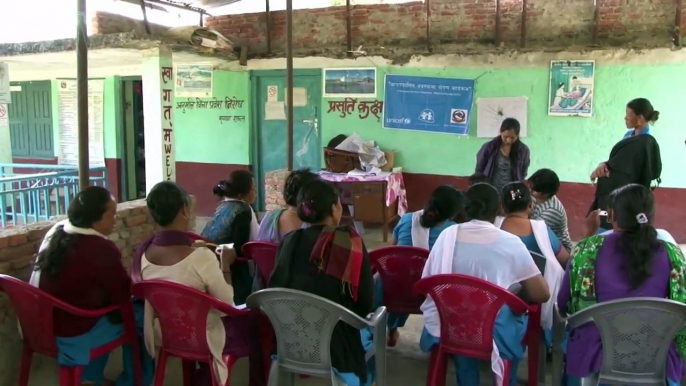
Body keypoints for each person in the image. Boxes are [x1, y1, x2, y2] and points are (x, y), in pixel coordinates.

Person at [420, 183, 550, 386]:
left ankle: (467, 381)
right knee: (516, 318)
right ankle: (507, 379)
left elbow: (428, 280)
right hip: (492, 330)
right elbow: (541, 294)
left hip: (452, 323)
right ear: (499, 208)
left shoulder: (448, 235)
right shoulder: (510, 242)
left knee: (466, 316)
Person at [136, 181, 265, 386]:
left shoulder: (144, 252)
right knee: (258, 326)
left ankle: (201, 377)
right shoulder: (201, 257)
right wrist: (225, 264)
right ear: (185, 210)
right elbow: (227, 304)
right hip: (204, 338)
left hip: (167, 333)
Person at [558, 184, 686, 385]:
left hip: (598, 357)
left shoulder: (587, 250)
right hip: (656, 357)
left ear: (611, 216)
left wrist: (588, 235)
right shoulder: (673, 255)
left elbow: (564, 305)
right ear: (651, 216)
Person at [31, 186, 153, 386]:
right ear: (96, 219)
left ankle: (89, 378)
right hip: (73, 335)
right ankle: (134, 381)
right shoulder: (101, 249)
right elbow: (123, 296)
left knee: (105, 312)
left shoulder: (57, 231)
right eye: (111, 214)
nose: (115, 218)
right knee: (141, 318)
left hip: (45, 326)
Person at [269, 179, 375, 386]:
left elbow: (275, 289)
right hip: (337, 347)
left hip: (291, 341)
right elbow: (364, 306)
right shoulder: (349, 242)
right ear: (335, 208)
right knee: (374, 328)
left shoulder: (290, 240)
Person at [380, 185, 466, 346]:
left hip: (393, 289)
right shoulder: (453, 231)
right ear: (453, 214)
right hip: (429, 292)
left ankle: (391, 329)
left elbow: (391, 251)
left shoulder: (407, 219)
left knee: (402, 273)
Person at [589, 98, 662, 233]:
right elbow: (618, 161)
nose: (625, 118)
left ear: (639, 119)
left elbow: (631, 173)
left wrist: (610, 173)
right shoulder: (629, 136)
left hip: (627, 201)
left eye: (628, 115)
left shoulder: (645, 144)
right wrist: (604, 165)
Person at [202, 170, 259, 304]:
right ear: (241, 195)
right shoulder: (243, 210)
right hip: (232, 267)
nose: (256, 192)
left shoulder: (222, 206)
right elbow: (244, 247)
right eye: (253, 189)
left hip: (211, 258)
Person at [475, 118, 531, 195]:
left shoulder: (523, 150)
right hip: (491, 189)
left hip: (512, 191)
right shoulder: (489, 147)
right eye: (506, 137)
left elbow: (523, 172)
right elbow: (479, 169)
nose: (508, 140)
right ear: (500, 132)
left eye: (512, 138)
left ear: (517, 136)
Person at [527, 169, 573, 253]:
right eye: (530, 186)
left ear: (546, 193)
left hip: (559, 249)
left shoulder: (551, 211)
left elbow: (531, 232)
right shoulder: (536, 196)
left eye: (534, 190)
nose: (530, 190)